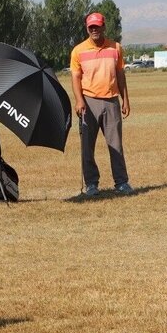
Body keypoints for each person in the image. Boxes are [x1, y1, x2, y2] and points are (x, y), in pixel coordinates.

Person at [69, 12, 134, 196]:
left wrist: (125, 99)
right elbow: (75, 77)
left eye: (97, 26)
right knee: (87, 147)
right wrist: (79, 101)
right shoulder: (78, 51)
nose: (94, 30)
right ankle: (91, 184)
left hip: (112, 101)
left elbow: (121, 75)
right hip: (88, 102)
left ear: (104, 26)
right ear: (87, 29)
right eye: (91, 27)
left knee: (116, 145)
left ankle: (121, 182)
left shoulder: (116, 48)